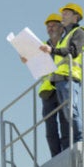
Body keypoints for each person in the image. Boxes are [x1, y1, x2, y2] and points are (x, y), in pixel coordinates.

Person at [40, 3, 84, 149]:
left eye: (66, 13)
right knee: (62, 119)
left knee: (70, 113)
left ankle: (81, 144)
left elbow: (73, 51)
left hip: (69, 78)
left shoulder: (79, 32)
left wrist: (52, 50)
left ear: (76, 17)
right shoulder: (64, 37)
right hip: (56, 82)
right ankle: (64, 151)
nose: (63, 15)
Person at [25, 13, 69, 157]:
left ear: (62, 28)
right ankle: (56, 156)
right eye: (48, 27)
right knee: (50, 127)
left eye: (53, 25)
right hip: (48, 90)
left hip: (64, 84)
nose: (50, 29)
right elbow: (36, 66)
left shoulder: (66, 43)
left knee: (65, 122)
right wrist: (26, 59)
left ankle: (67, 153)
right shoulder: (42, 47)